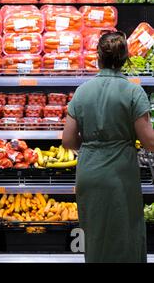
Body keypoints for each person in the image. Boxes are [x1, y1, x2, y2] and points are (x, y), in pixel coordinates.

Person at [63, 31, 154, 263]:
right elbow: (149, 142)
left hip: (89, 172)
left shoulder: (82, 91)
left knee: (94, 238)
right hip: (120, 175)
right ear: (125, 58)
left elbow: (68, 140)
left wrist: (94, 143)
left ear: (98, 57)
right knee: (124, 236)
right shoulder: (134, 91)